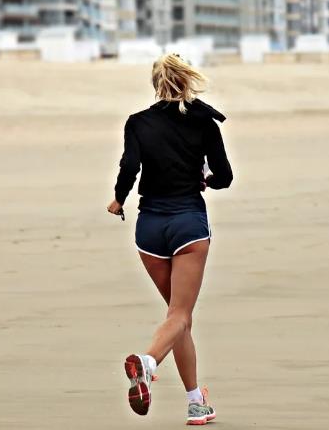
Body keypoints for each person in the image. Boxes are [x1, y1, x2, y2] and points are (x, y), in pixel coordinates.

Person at [107, 53, 233, 425]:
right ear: (187, 80)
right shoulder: (204, 122)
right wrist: (206, 180)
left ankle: (196, 402)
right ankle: (147, 364)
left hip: (149, 229)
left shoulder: (138, 122)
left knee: (178, 318)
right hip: (187, 225)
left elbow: (129, 167)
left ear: (156, 84)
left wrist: (118, 199)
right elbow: (224, 176)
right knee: (179, 315)